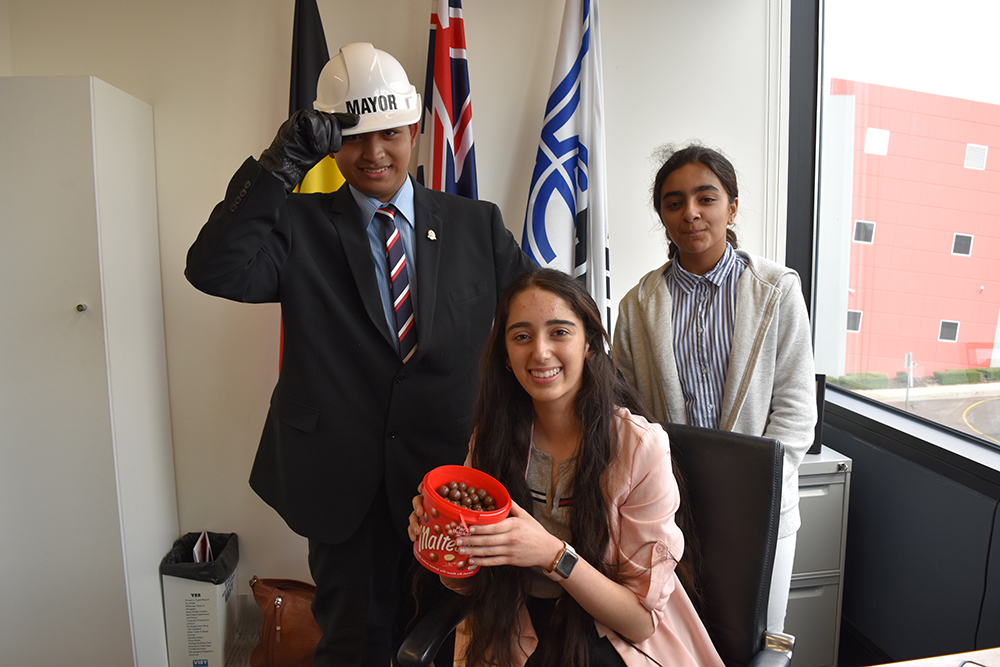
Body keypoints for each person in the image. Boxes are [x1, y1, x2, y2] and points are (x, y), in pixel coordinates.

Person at [185, 42, 534, 667]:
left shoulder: (475, 224)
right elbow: (214, 270)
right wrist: (278, 165)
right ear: (328, 143)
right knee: (356, 646)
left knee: (449, 639)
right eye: (353, 137)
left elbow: (538, 316)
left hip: (451, 479)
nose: (374, 153)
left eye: (390, 134)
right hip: (344, 487)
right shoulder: (296, 223)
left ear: (416, 130)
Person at [407, 268, 725, 667]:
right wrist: (443, 544)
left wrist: (551, 554)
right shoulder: (490, 439)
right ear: (505, 357)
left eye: (559, 332)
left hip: (607, 633)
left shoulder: (639, 447)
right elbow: (468, 583)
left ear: (590, 344)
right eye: (521, 336)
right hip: (514, 628)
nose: (540, 352)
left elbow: (639, 622)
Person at [613, 144, 817, 633]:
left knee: (754, 641)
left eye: (706, 197)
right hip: (669, 509)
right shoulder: (638, 305)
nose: (692, 213)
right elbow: (625, 411)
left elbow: (794, 410)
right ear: (662, 214)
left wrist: (751, 488)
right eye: (674, 201)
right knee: (676, 641)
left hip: (759, 509)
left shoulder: (777, 289)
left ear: (733, 205)